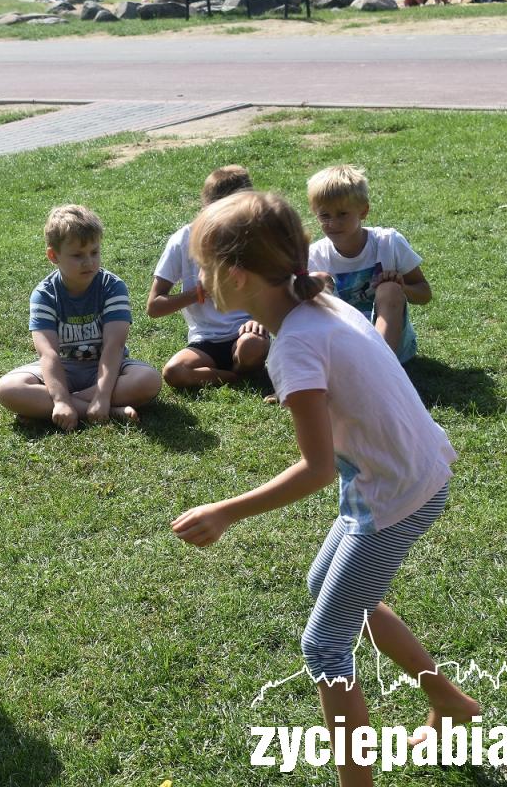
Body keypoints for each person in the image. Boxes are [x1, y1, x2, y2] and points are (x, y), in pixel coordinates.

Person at [171, 192, 480, 787]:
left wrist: (225, 512)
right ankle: (451, 704)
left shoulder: (296, 345)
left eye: (205, 271)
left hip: (395, 494)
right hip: (400, 473)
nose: (201, 284)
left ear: (236, 275)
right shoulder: (314, 297)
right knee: (326, 589)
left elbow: (314, 469)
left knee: (324, 647)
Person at [0, 204, 162, 430]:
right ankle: (109, 412)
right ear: (54, 255)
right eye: (77, 255)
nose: (89, 262)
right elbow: (48, 353)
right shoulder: (44, 294)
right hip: (63, 370)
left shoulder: (112, 286)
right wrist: (61, 398)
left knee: (149, 380)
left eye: (94, 252)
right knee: (7, 389)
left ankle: (55, 407)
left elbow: (114, 345)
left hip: (107, 368)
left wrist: (101, 395)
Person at [146, 165, 270, 389]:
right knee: (174, 372)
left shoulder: (255, 236)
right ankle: (235, 376)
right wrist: (198, 293)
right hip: (205, 340)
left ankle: (241, 368)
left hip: (245, 331)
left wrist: (259, 319)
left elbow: (275, 288)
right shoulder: (183, 240)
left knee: (251, 346)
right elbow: (154, 307)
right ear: (207, 209)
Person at [306, 165, 431, 364]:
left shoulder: (388, 242)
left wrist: (402, 287)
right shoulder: (314, 256)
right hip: (343, 343)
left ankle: (380, 366)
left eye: (342, 214)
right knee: (317, 282)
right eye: (325, 216)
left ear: (363, 211)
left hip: (393, 347)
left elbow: (424, 294)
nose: (333, 223)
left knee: (389, 288)